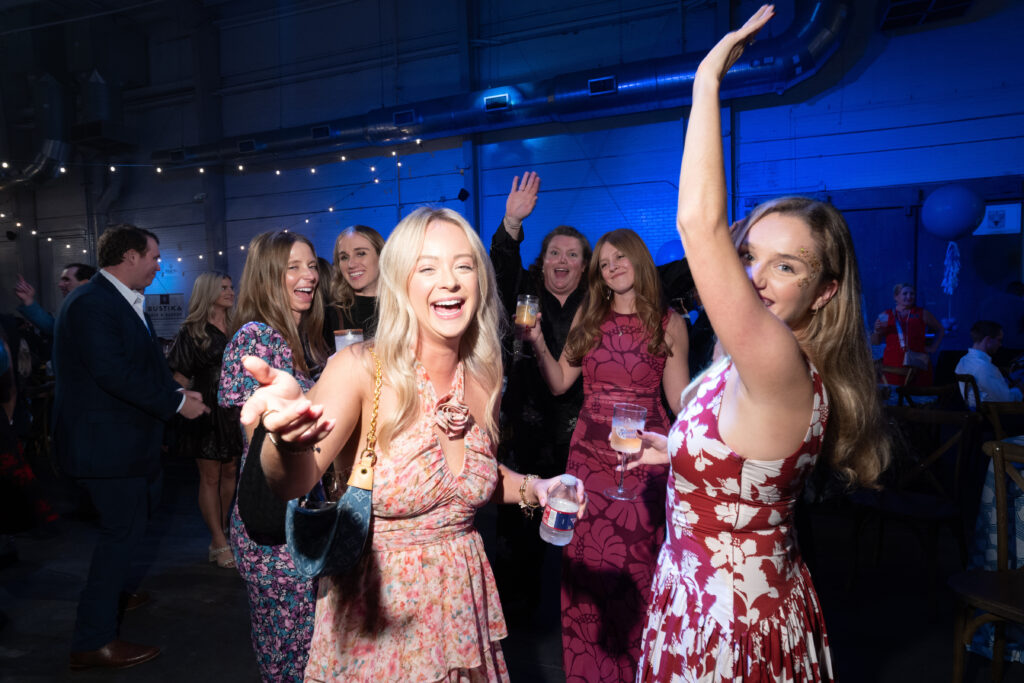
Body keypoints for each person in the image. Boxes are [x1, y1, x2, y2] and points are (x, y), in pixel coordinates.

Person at [631, 7, 889, 681]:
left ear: (825, 291)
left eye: (787, 265)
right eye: (750, 255)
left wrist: (708, 79)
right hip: (707, 599)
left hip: (728, 625)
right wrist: (679, 451)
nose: (757, 278)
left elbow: (696, 223)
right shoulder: (746, 357)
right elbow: (740, 459)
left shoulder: (778, 360)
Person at [236, 206, 586, 682]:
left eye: (464, 266)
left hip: (462, 612)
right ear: (400, 282)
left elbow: (469, 476)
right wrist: (283, 438)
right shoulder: (360, 368)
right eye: (428, 267)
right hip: (380, 625)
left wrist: (535, 488)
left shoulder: (484, 375)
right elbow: (293, 480)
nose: (450, 281)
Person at [524, 227, 689, 682]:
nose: (612, 267)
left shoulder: (669, 323)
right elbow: (559, 382)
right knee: (585, 565)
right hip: (590, 455)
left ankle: (640, 670)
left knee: (637, 566)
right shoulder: (589, 316)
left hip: (643, 458)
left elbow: (679, 404)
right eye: (604, 263)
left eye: (621, 258)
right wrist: (538, 341)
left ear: (639, 261)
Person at [53, 224, 208, 670]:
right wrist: (176, 404)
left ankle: (115, 589)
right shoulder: (92, 303)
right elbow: (112, 374)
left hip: (125, 443)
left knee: (136, 520)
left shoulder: (115, 299)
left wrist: (180, 394)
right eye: (154, 256)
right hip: (104, 447)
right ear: (130, 257)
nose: (159, 265)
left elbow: (141, 363)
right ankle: (92, 640)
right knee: (119, 535)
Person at [218, 231, 328, 681]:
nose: (309, 277)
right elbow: (258, 432)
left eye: (312, 266)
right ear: (268, 276)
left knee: (299, 645)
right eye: (293, 267)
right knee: (288, 654)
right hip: (275, 524)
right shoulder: (256, 336)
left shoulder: (298, 336)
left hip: (298, 514)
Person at [489, 172, 592, 619]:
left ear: (585, 266)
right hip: (526, 429)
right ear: (543, 260)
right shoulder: (524, 289)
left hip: (581, 435)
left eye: (572, 255)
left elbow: (654, 282)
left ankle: (584, 611)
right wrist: (512, 223)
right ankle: (521, 614)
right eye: (554, 252)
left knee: (584, 538)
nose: (562, 260)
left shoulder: (596, 301)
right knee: (520, 533)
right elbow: (500, 269)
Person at [167, 272, 243, 568]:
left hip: (235, 409)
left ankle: (220, 533)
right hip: (206, 410)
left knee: (231, 473)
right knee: (210, 476)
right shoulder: (192, 331)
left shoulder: (239, 325)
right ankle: (219, 540)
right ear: (208, 291)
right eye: (223, 287)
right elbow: (179, 376)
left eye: (230, 286)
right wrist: (182, 404)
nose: (230, 291)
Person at [871, 282, 944, 386]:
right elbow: (876, 342)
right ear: (896, 297)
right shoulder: (886, 315)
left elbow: (940, 329)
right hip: (893, 363)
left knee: (918, 397)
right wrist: (876, 331)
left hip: (917, 362)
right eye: (905, 294)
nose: (909, 296)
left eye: (912, 294)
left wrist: (933, 347)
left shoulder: (922, 313)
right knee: (894, 396)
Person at [324, 224, 384, 348]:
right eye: (344, 257)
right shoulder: (330, 317)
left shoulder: (404, 311)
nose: (351, 264)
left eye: (361, 253)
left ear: (381, 256)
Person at [13, 263, 97, 336]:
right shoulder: (77, 306)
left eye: (66, 280)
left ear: (85, 283)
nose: (60, 284)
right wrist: (28, 299)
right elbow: (55, 329)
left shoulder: (95, 309)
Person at [955, 320, 1021, 408]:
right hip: (993, 416)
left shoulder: (963, 361)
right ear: (988, 340)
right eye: (999, 340)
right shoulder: (984, 367)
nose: (1000, 344)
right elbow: (1006, 400)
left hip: (976, 412)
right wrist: (1020, 390)